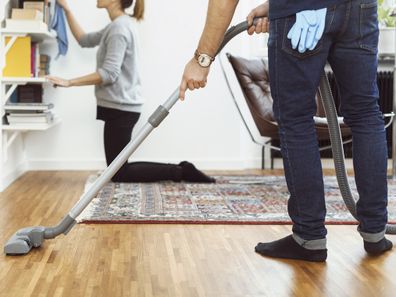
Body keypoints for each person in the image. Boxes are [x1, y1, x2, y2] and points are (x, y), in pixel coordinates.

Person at [179, 0, 393, 262]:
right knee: (365, 113)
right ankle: (375, 232)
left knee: (295, 118)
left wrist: (202, 59)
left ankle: (309, 236)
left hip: (302, 9)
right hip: (360, 7)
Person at [47, 0, 215, 184]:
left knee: (118, 172)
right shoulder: (117, 25)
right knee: (118, 168)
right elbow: (84, 40)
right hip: (120, 106)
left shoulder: (119, 29)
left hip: (121, 108)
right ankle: (180, 170)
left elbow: (109, 73)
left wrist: (69, 82)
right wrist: (67, 9)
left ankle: (181, 171)